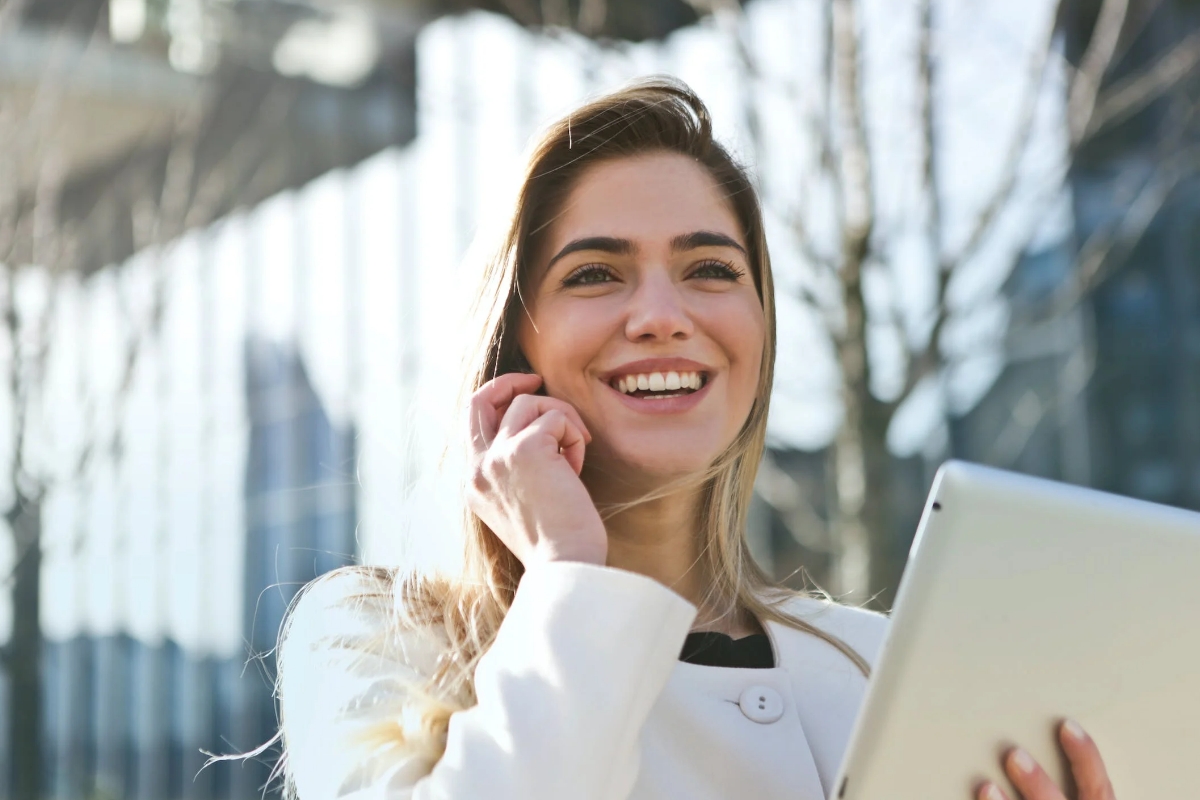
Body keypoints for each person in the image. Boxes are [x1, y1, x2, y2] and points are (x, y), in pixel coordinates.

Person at [273, 78, 1116, 800]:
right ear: (515, 343)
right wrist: (568, 571)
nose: (662, 318)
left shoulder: (883, 668)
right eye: (595, 273)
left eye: (711, 269)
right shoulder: (372, 640)